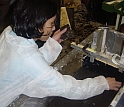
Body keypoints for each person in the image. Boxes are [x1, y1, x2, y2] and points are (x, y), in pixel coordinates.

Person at [0, 0, 122, 107]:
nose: (53, 29)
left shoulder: (10, 32)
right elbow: (68, 88)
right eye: (51, 24)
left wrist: (52, 43)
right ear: (37, 26)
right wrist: (102, 84)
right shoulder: (29, 60)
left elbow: (27, 65)